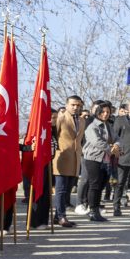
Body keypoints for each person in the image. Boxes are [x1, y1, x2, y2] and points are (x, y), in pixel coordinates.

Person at [50, 95, 85, 228]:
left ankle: (57, 215)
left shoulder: (82, 120)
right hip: (62, 158)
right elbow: (54, 135)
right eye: (73, 105)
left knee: (68, 189)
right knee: (60, 189)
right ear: (66, 105)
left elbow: (79, 140)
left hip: (75, 159)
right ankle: (61, 216)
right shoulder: (60, 118)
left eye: (78, 105)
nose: (76, 107)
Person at [82, 101, 120, 222]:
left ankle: (96, 208)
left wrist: (117, 146)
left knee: (102, 184)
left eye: (108, 112)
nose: (105, 114)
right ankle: (92, 210)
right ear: (98, 112)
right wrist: (112, 149)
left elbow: (117, 138)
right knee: (94, 185)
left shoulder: (108, 125)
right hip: (93, 158)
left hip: (106, 159)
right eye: (103, 112)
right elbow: (97, 142)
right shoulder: (92, 125)